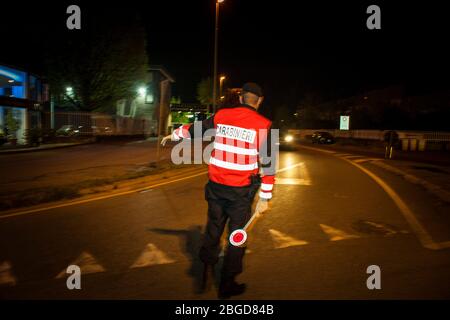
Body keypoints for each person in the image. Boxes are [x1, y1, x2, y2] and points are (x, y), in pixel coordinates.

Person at [161, 82, 276, 299]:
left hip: (215, 187)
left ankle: (204, 270)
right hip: (240, 193)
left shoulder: (222, 116)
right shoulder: (264, 125)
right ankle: (227, 284)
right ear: (259, 101)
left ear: (241, 97)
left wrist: (174, 135)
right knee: (236, 237)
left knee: (213, 228)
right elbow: (269, 164)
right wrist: (265, 198)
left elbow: (197, 129)